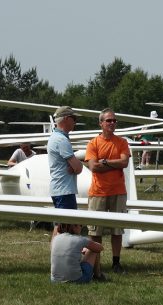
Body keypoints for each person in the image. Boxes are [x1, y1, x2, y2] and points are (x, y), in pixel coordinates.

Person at [85, 108, 131, 279]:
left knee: (117, 230)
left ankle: (116, 262)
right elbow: (93, 167)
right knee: (95, 230)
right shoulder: (93, 143)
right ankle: (94, 261)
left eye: (114, 120)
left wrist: (105, 162)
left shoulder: (122, 142)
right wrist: (113, 164)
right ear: (101, 123)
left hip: (118, 191)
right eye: (109, 121)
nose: (112, 123)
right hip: (98, 192)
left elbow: (124, 162)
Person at [48, 106, 83, 238]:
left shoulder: (55, 137)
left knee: (61, 225)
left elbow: (74, 166)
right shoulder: (61, 140)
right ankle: (57, 256)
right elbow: (78, 168)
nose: (75, 122)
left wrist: (73, 165)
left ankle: (56, 256)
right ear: (67, 119)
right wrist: (75, 165)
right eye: (74, 118)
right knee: (65, 227)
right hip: (64, 190)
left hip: (60, 189)